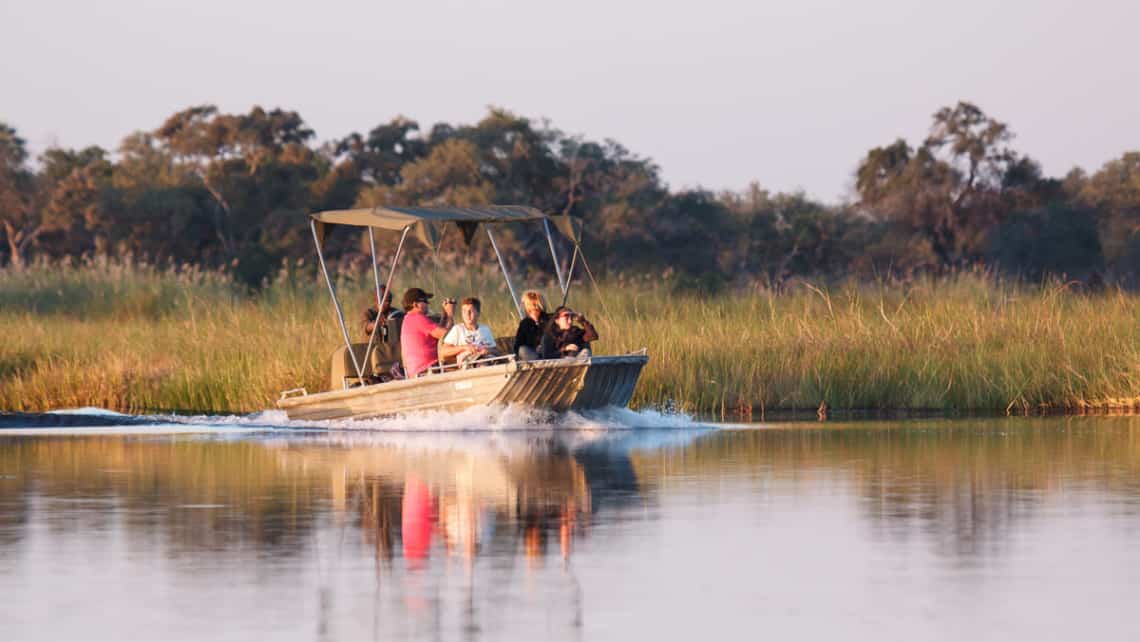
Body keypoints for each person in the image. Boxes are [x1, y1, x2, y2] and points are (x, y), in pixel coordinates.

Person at [399, 287, 455, 377]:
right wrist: (450, 315)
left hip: (420, 369)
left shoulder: (409, 319)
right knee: (463, 364)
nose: (428, 304)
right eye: (425, 301)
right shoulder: (418, 318)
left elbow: (437, 333)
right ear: (415, 304)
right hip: (427, 369)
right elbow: (448, 335)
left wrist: (444, 315)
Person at [440, 297, 500, 367]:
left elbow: (497, 351)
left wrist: (488, 350)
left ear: (478, 313)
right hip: (469, 361)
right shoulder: (457, 329)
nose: (467, 314)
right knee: (481, 363)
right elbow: (443, 351)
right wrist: (465, 347)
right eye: (464, 311)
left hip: (489, 359)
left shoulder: (485, 329)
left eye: (471, 311)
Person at [513, 290, 550, 361]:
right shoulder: (525, 323)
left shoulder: (548, 320)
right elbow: (518, 345)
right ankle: (539, 362)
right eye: (530, 309)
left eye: (537, 309)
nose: (534, 311)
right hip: (532, 353)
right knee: (522, 350)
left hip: (547, 351)